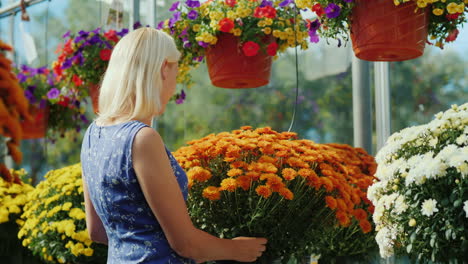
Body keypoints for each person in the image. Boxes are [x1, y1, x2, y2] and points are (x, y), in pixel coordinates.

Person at [80, 28, 267, 264]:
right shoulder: (142, 138)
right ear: (163, 69)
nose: (173, 88)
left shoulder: (93, 134)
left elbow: (96, 231)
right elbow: (186, 244)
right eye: (176, 75)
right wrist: (236, 249)